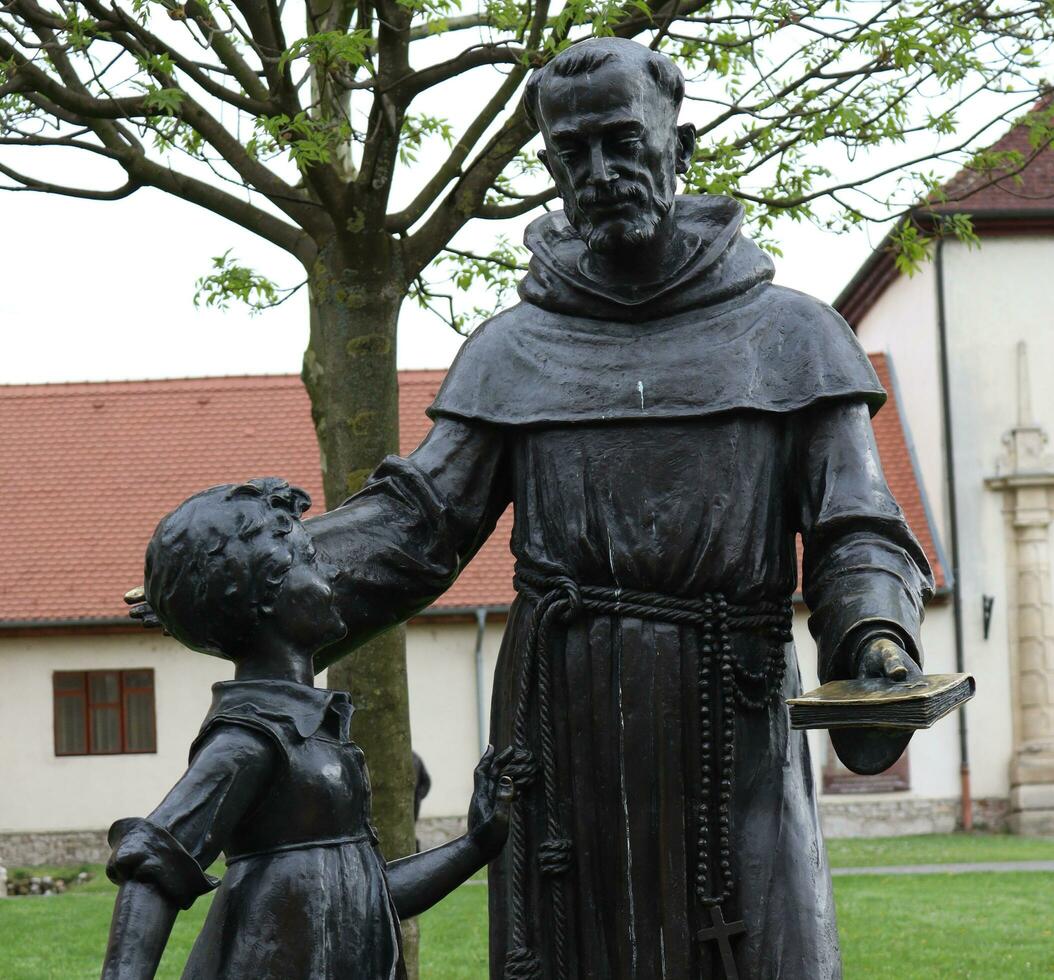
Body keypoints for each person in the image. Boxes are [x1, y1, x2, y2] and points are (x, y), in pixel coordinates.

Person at [130, 39, 932, 980]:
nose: (599, 172)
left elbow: (856, 527)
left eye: (622, 140)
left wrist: (876, 636)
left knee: (764, 948)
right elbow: (416, 529)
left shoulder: (792, 337)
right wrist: (241, 575)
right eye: (571, 153)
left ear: (681, 142)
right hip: (564, 718)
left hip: (729, 716)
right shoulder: (514, 351)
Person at [104, 478, 525, 980]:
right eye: (309, 559)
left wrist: (476, 843)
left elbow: (367, 896)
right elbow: (153, 865)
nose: (332, 574)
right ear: (259, 594)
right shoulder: (252, 736)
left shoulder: (314, 733)